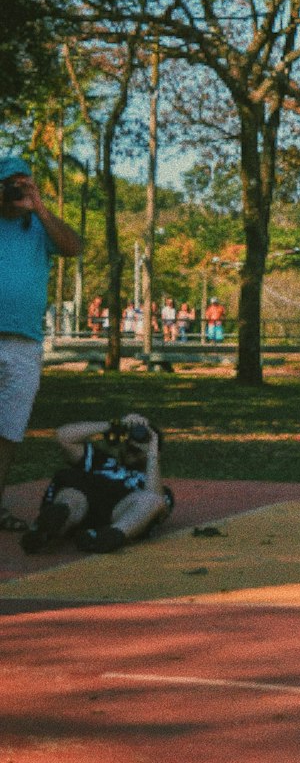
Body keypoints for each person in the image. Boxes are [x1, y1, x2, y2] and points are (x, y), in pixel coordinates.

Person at [0, 156, 83, 534]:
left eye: (25, 183)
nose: (18, 190)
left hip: (25, 344)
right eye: (11, 184)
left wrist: (41, 207)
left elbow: (73, 247)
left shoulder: (39, 228)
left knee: (9, 430)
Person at [21, 411, 172, 554]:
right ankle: (46, 529)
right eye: (129, 444)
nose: (131, 448)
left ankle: (107, 536)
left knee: (152, 500)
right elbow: (63, 437)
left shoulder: (155, 485)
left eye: (137, 448)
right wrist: (114, 425)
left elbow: (156, 501)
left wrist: (151, 453)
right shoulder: (102, 460)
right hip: (83, 502)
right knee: (72, 496)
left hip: (116, 514)